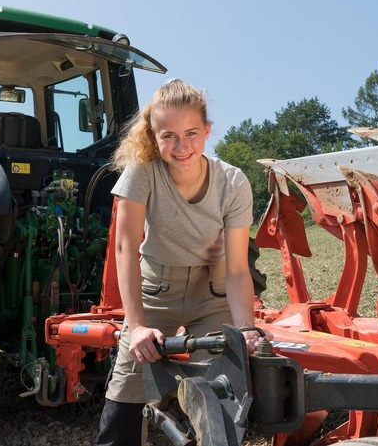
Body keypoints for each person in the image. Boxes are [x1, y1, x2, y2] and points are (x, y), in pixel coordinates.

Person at [96, 79, 270, 446]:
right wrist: (138, 326)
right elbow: (126, 247)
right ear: (153, 137)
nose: (181, 146)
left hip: (214, 290)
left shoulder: (232, 182)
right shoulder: (143, 172)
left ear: (207, 130)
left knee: (222, 386)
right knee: (127, 385)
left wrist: (245, 329)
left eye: (191, 133)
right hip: (157, 288)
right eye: (169, 136)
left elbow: (238, 268)